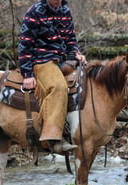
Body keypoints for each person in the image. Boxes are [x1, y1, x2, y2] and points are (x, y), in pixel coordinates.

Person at [18, 0, 87, 153]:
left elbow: (71, 40)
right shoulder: (34, 12)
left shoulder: (65, 11)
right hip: (42, 60)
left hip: (62, 59)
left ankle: (77, 130)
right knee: (59, 87)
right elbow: (25, 45)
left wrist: (76, 54)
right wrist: (27, 74)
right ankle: (52, 138)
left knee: (86, 80)